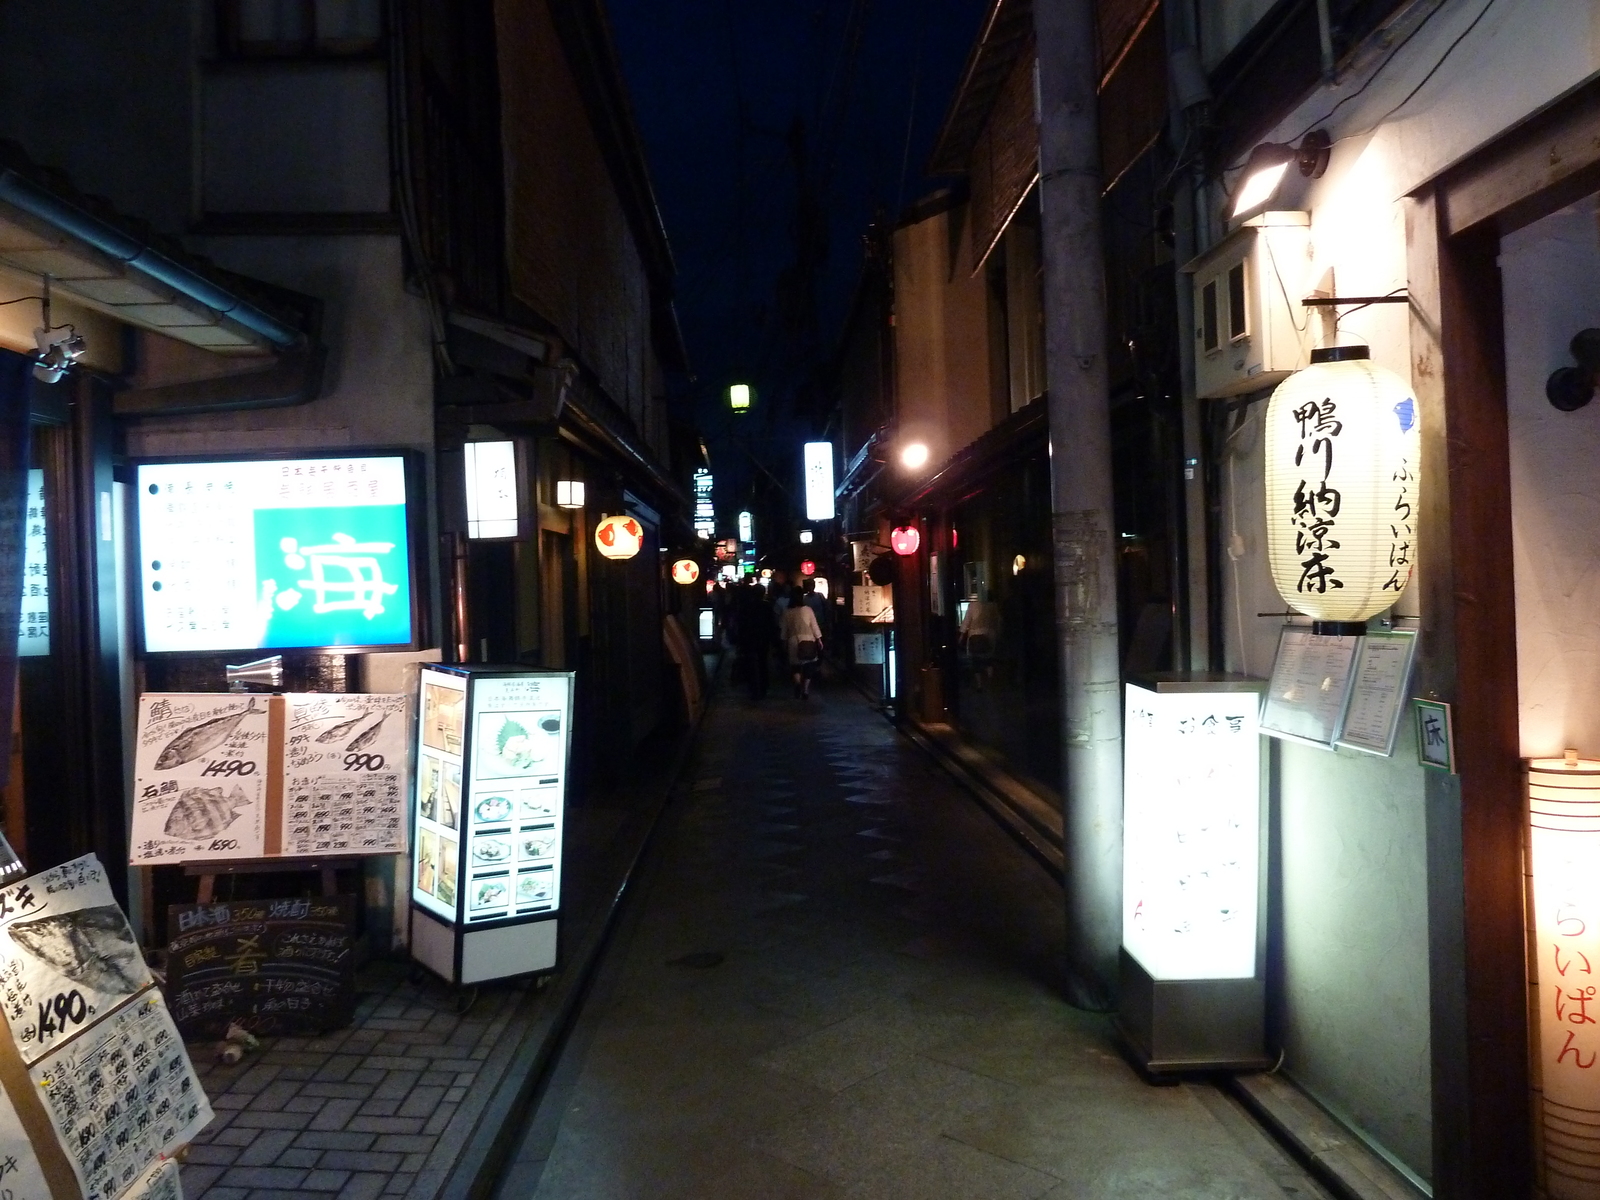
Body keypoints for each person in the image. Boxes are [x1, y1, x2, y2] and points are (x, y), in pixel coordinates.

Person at [734, 579, 775, 701]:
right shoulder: (767, 606)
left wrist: (739, 640)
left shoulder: (746, 606)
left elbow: (741, 623)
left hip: (749, 638)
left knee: (750, 663)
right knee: (763, 662)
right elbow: (771, 624)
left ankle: (753, 687)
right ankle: (763, 687)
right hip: (763, 639)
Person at [780, 584, 823, 699]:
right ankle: (805, 690)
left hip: (793, 641)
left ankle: (798, 683)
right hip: (808, 640)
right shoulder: (808, 610)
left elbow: (784, 630)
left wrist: (784, 642)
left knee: (795, 666)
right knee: (809, 665)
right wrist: (819, 639)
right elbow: (814, 626)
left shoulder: (787, 612)